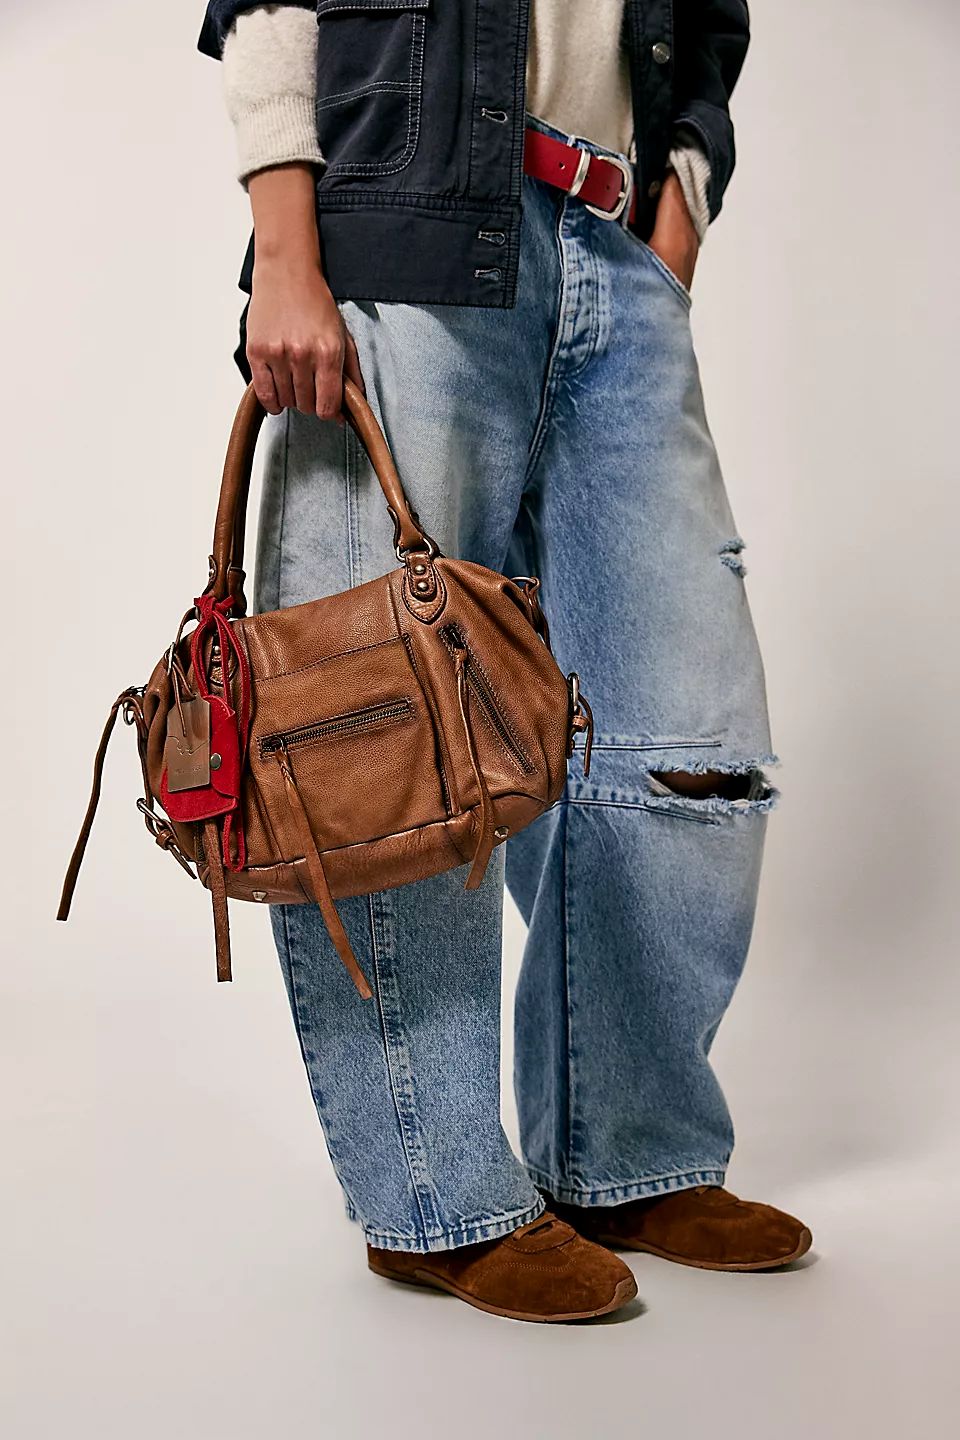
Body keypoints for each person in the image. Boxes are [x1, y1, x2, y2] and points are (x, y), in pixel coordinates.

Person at [196, 0, 812, 1323]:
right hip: (405, 238)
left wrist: (676, 219)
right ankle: (437, 1199)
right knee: (385, 745)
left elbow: (706, 26)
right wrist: (286, 253)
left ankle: (628, 1154)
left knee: (675, 735)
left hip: (616, 254)